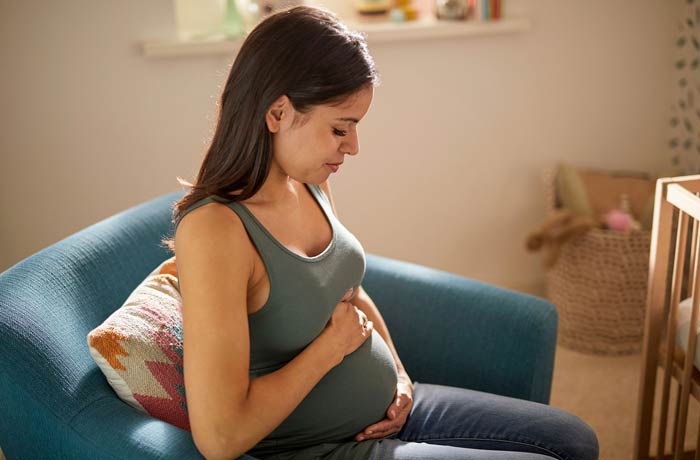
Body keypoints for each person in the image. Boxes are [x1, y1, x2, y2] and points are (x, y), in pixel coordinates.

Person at [162, 5, 600, 460]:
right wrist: (329, 349)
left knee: (575, 440)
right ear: (278, 112)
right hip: (323, 448)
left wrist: (400, 376)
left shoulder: (309, 183)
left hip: (394, 409)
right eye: (340, 128)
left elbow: (351, 292)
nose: (353, 147)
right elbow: (220, 437)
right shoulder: (216, 231)